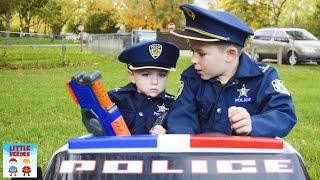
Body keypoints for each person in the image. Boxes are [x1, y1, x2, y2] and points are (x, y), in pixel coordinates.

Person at [167, 4, 297, 137]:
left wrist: (253, 124)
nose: (193, 60)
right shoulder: (192, 77)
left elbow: (284, 113)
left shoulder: (263, 77)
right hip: (202, 155)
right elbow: (180, 119)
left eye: (201, 54)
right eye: (192, 51)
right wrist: (186, 146)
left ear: (230, 54)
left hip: (246, 156)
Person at [108, 40, 179, 135]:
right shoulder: (115, 99)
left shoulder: (173, 104)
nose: (155, 82)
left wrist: (166, 135)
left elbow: (180, 135)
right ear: (132, 76)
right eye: (145, 75)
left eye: (162, 75)